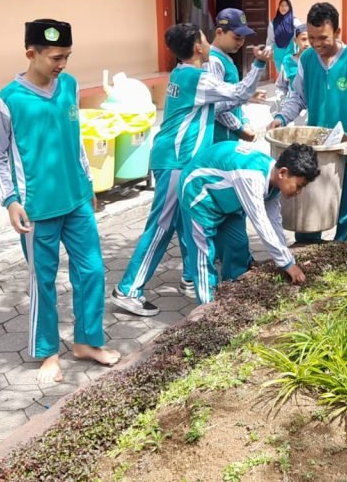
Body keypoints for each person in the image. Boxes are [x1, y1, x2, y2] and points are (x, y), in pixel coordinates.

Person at [0, 19, 119, 384]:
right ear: (32, 53)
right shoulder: (9, 100)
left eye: (67, 56)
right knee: (43, 281)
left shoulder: (69, 85)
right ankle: (47, 354)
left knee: (92, 271)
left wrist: (88, 183)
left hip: (76, 201)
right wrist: (9, 201)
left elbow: (75, 138)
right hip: (36, 210)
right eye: (56, 57)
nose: (63, 64)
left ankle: (86, 342)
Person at [113, 23, 271, 317]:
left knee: (187, 222)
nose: (209, 44)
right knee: (161, 226)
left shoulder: (181, 73)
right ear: (198, 47)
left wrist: (247, 97)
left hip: (175, 159)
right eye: (204, 40)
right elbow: (236, 93)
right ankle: (128, 289)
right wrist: (259, 63)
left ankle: (190, 278)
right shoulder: (196, 77)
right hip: (176, 161)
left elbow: (224, 100)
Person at [272, 2, 347, 243]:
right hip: (314, 148)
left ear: (337, 32)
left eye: (323, 38)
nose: (316, 44)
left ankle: (344, 250)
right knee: (308, 204)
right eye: (312, 37)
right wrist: (282, 117)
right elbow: (298, 96)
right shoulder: (307, 59)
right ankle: (307, 248)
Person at [179, 141, 320, 304]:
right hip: (198, 194)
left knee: (237, 245)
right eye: (299, 186)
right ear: (283, 173)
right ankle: (207, 308)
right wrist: (287, 264)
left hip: (227, 199)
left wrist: (287, 259)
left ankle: (232, 295)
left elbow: (274, 222)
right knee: (204, 256)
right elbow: (261, 223)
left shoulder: (274, 178)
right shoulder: (251, 178)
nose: (299, 192)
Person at [208, 8, 259, 143]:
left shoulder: (226, 59)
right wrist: (239, 129)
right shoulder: (213, 61)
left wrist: (245, 121)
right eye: (237, 38)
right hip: (220, 138)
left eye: (243, 38)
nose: (240, 43)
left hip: (230, 137)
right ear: (219, 32)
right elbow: (216, 105)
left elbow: (234, 97)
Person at [274, 23, 310, 103]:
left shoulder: (321, 60)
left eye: (311, 39)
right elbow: (281, 87)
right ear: (295, 41)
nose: (307, 44)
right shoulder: (288, 62)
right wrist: (282, 100)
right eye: (303, 39)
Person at [268, 0, 299, 75]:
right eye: (281, 5)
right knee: (281, 76)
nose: (283, 8)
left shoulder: (294, 21)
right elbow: (270, 39)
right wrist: (269, 50)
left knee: (290, 75)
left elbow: (301, 33)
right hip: (278, 54)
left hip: (291, 52)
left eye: (286, 5)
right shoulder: (273, 23)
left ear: (289, 7)